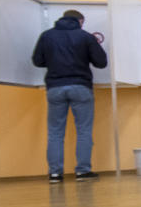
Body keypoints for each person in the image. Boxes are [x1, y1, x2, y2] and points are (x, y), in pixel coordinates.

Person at [32, 9, 108, 183]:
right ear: (80, 21)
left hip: (55, 88)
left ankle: (55, 174)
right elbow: (101, 62)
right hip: (81, 87)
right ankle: (82, 171)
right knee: (83, 131)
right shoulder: (85, 37)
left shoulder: (47, 36)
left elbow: (37, 61)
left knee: (55, 133)